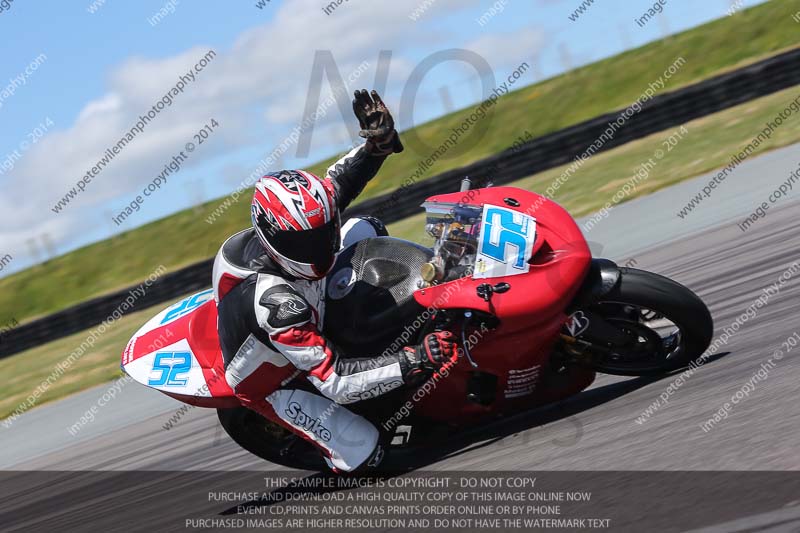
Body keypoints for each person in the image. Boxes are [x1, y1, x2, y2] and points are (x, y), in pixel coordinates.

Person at [212, 90, 459, 472]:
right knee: (365, 454)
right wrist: (413, 360)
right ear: (272, 237)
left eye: (322, 232)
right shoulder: (275, 304)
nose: (316, 246)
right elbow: (336, 380)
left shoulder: (307, 218)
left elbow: (341, 181)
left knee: (366, 229)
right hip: (281, 377)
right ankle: (346, 439)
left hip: (309, 297)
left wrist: (378, 144)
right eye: (302, 241)